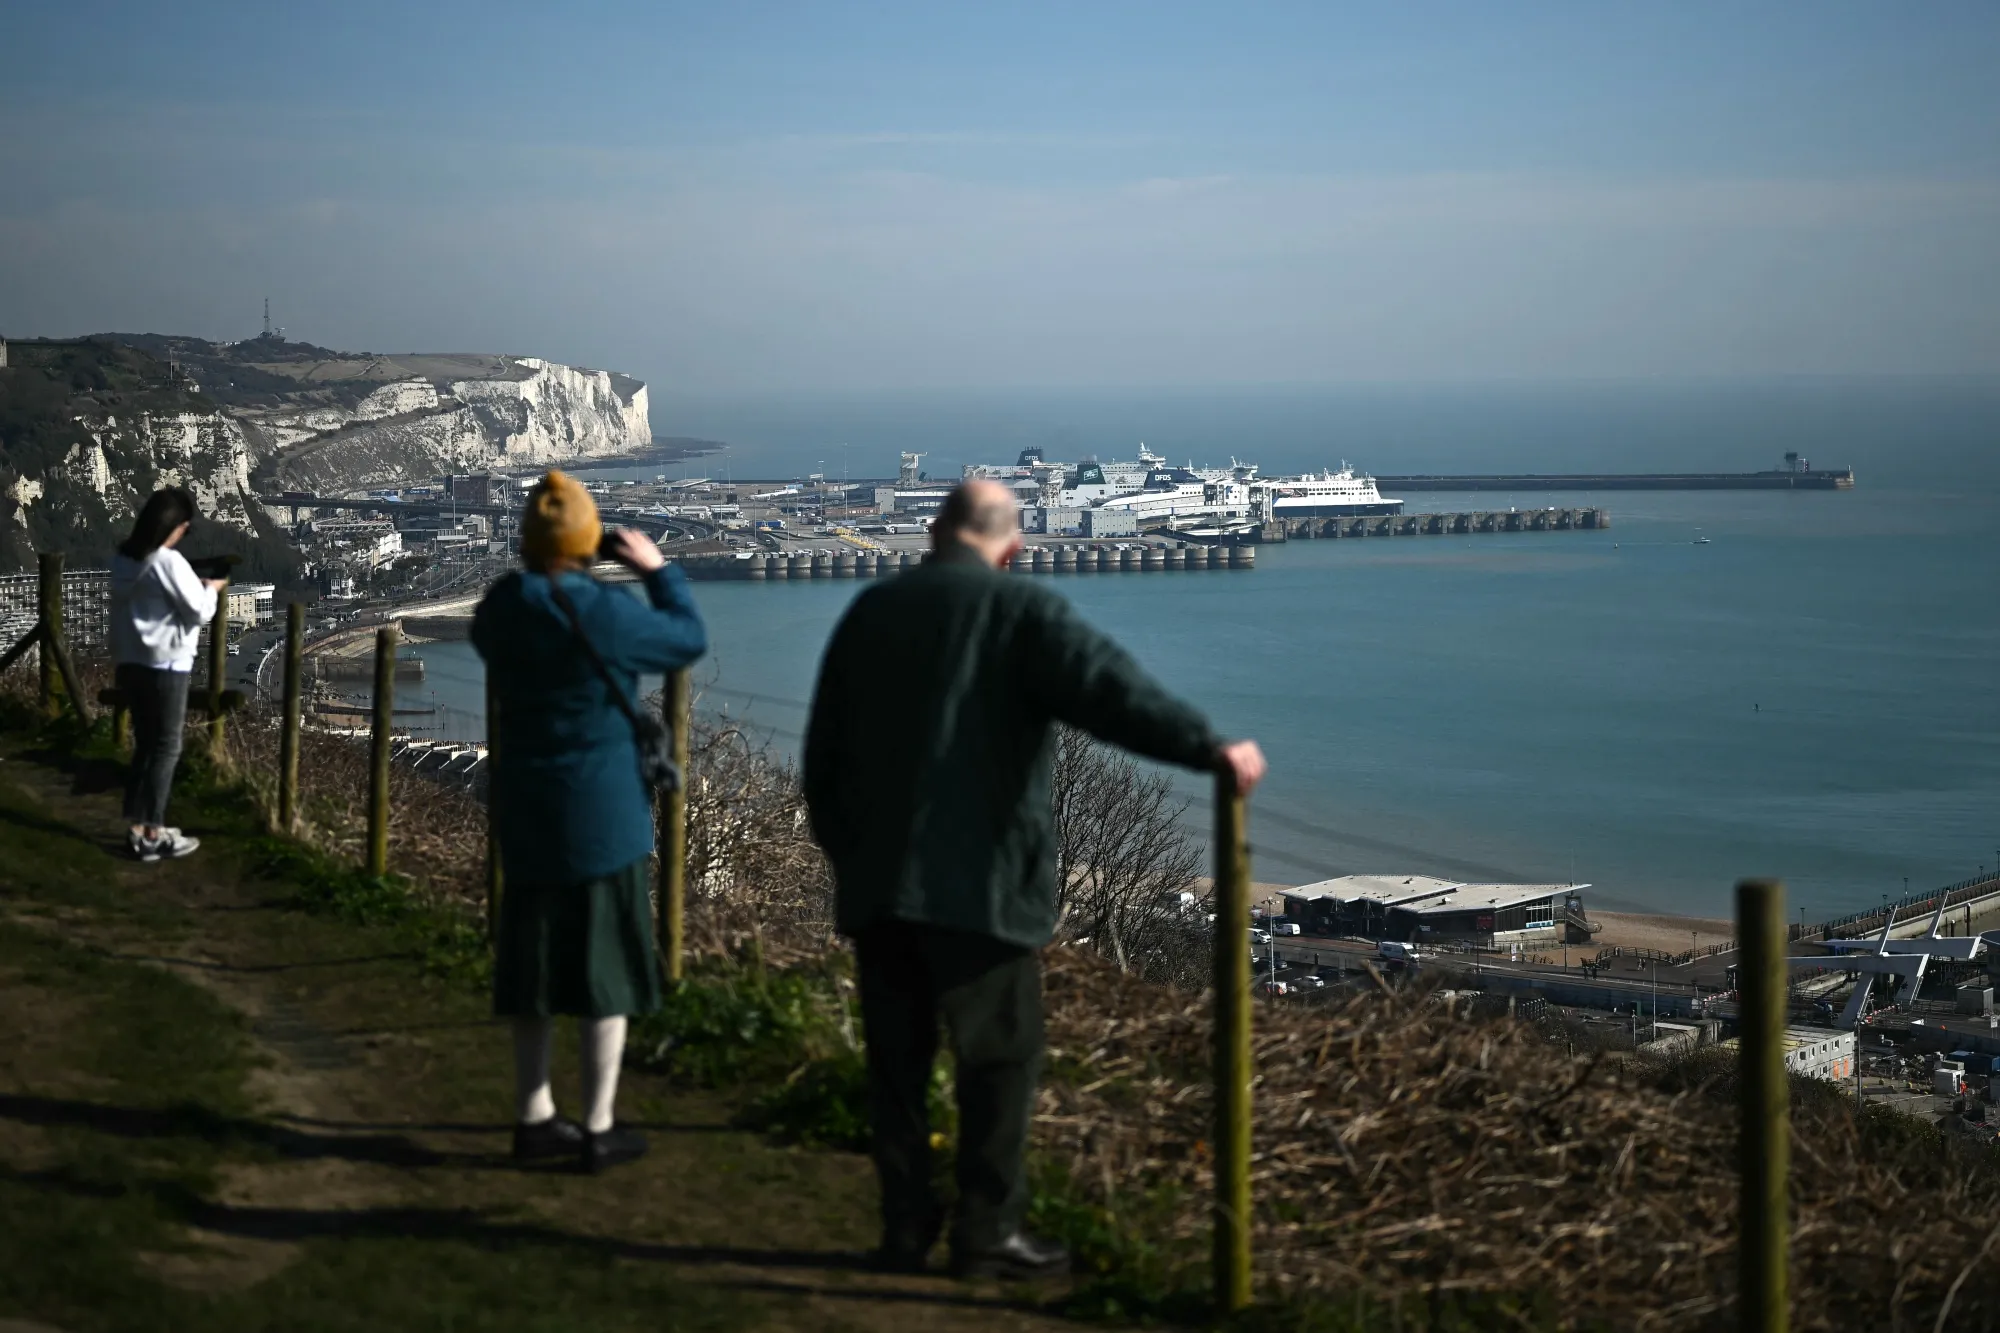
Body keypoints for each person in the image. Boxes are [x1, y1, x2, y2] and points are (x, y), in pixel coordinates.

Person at [803, 479, 1267, 1278]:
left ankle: (904, 1227)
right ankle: (987, 1231)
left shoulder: (869, 613)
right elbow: (1112, 692)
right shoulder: (1020, 612)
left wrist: (853, 855)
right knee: (1000, 1063)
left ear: (932, 534)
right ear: (1012, 548)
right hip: (983, 888)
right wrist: (1209, 746)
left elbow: (823, 761)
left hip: (881, 887)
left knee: (897, 1070)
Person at [472, 470, 707, 1173]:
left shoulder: (502, 609)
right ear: (586, 541)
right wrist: (660, 572)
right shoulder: (603, 613)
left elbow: (499, 626)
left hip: (527, 806)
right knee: (606, 971)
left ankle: (534, 1114)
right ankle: (599, 1123)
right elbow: (685, 638)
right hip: (602, 815)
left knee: (535, 970)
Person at [110, 486, 226, 862]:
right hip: (167, 664)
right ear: (175, 527)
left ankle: (137, 825)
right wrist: (212, 589)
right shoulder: (167, 562)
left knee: (145, 744)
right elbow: (197, 612)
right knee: (167, 747)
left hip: (131, 662)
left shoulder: (124, 559)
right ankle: (153, 833)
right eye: (184, 529)